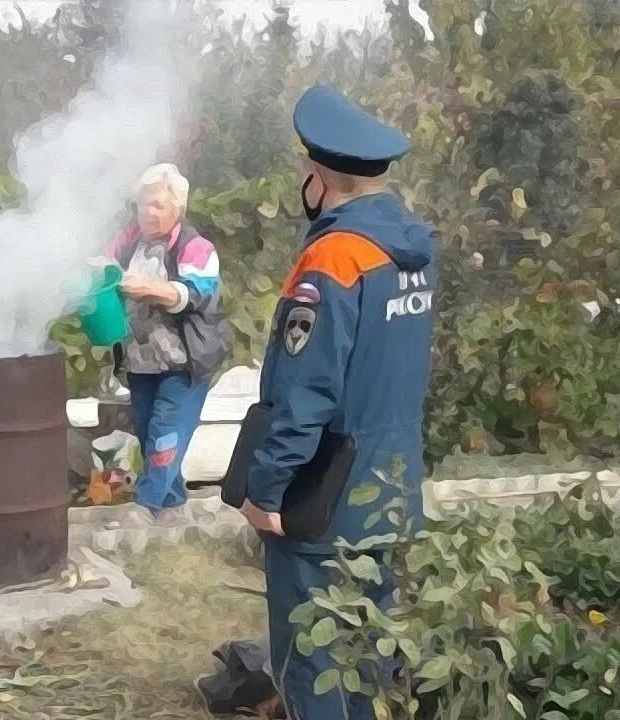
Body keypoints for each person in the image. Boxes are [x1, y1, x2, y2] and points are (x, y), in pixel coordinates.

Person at [238, 85, 437, 719]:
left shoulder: (333, 258)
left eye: (305, 170)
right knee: (370, 651)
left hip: (324, 495)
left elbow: (307, 393)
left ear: (322, 177)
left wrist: (266, 490)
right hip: (391, 486)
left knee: (315, 665)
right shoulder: (413, 251)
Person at [106, 163, 230, 523]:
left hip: (185, 361)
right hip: (142, 360)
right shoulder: (130, 242)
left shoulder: (196, 248)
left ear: (177, 209)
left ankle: (142, 511)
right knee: (148, 434)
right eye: (144, 204)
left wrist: (148, 289)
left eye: (158, 205)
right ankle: (171, 512)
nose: (148, 212)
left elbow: (196, 293)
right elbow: (101, 267)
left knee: (165, 435)